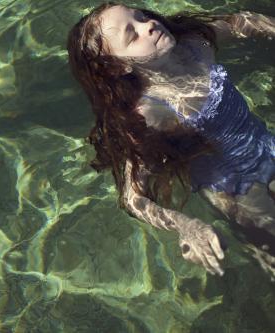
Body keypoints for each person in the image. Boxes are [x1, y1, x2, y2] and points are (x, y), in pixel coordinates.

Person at [67, 2, 275, 276]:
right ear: (118, 68)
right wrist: (185, 226)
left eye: (141, 17)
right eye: (133, 35)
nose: (148, 26)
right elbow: (132, 197)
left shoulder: (196, 45)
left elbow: (243, 23)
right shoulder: (149, 113)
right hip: (234, 188)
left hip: (264, 145)